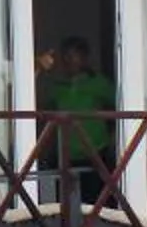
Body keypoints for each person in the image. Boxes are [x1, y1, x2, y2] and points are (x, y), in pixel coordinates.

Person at [42, 35, 117, 195]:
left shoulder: (99, 83)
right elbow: (46, 116)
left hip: (95, 153)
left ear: (84, 58)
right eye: (66, 56)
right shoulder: (57, 86)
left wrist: (113, 136)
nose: (69, 60)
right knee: (67, 204)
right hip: (65, 155)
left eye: (73, 55)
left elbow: (119, 108)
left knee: (96, 202)